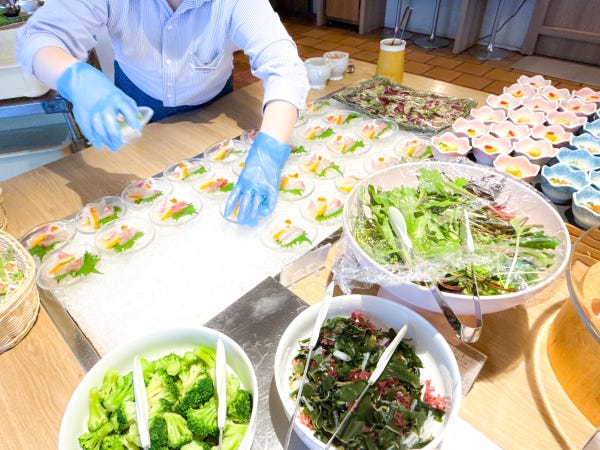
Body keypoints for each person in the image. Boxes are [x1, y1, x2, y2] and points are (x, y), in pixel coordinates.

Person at [15, 0, 309, 226]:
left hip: (214, 110)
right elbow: (38, 37)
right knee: (147, 211)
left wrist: (269, 149)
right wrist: (76, 80)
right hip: (137, 103)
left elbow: (285, 67)